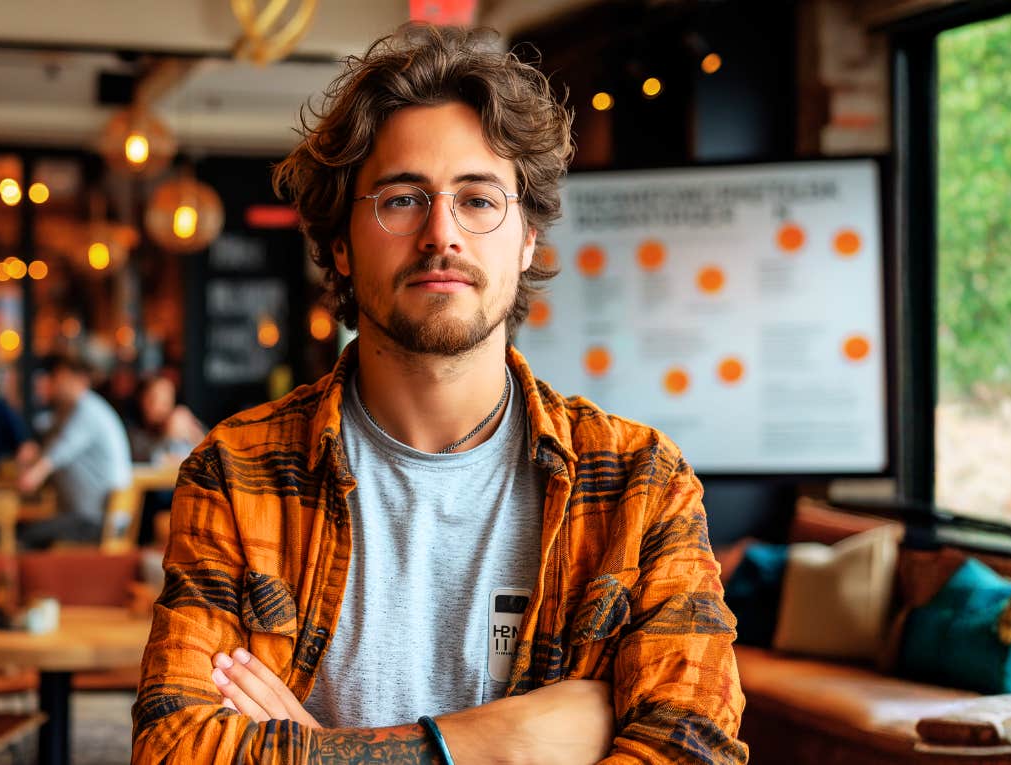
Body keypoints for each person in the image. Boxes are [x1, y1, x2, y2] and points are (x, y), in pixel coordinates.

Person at [134, 24, 747, 765]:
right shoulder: (238, 470)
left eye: (478, 199)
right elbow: (174, 751)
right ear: (339, 245)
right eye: (401, 199)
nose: (440, 233)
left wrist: (317, 750)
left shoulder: (639, 482)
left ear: (526, 240)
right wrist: (492, 742)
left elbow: (693, 749)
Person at [16, 353, 132, 548]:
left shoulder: (86, 410)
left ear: (79, 379)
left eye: (60, 377)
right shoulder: (73, 410)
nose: (55, 383)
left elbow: (58, 452)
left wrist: (32, 475)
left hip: (98, 521)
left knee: (24, 537)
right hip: (94, 518)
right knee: (31, 530)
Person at [128, 374, 205, 466]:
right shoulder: (134, 433)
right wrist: (168, 436)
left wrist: (196, 435)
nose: (160, 406)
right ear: (142, 399)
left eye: (166, 399)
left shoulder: (182, 423)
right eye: (154, 398)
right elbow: (153, 459)